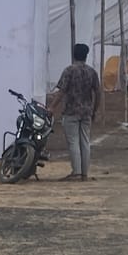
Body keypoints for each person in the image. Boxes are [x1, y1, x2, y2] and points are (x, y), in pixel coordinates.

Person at [54, 42, 101, 181]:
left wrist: (52, 107)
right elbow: (98, 93)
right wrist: (94, 110)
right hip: (86, 111)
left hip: (71, 111)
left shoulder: (69, 70)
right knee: (85, 142)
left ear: (74, 55)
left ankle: (76, 172)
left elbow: (61, 91)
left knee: (73, 142)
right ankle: (84, 173)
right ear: (86, 56)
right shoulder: (92, 72)